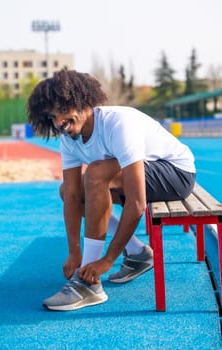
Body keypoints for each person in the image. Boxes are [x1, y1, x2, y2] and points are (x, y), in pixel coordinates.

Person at [27, 69, 196, 311]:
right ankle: (138, 253)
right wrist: (73, 251)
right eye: (52, 117)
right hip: (136, 175)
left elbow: (137, 203)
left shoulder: (117, 124)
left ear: (81, 101)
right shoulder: (69, 138)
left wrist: (107, 260)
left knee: (95, 175)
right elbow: (73, 197)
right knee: (67, 190)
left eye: (63, 111)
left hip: (176, 173)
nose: (58, 122)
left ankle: (88, 286)